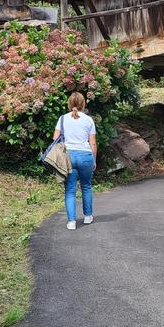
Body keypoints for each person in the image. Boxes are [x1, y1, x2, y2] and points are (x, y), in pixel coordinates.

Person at [53, 92, 97, 230]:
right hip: (86, 156)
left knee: (70, 190)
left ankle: (71, 221)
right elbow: (93, 143)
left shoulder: (62, 119)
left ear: (69, 103)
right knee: (86, 186)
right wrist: (94, 160)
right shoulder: (89, 120)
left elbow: (55, 139)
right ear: (83, 104)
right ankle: (88, 216)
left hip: (69, 157)